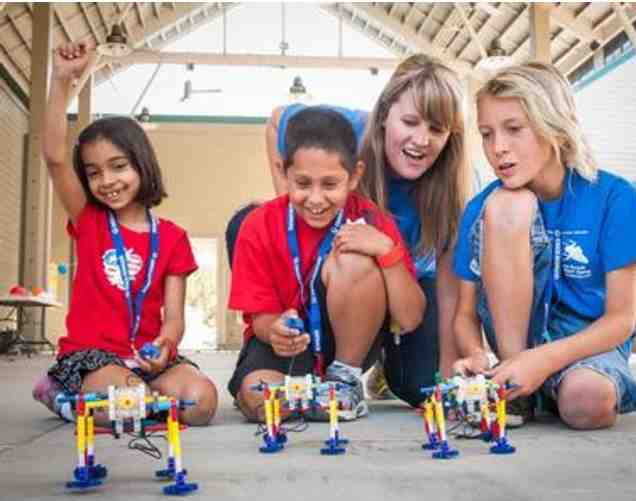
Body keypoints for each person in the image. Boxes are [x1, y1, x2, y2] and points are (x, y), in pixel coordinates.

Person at [227, 53, 469, 408]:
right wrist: (292, 209)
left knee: (421, 384)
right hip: (326, 276)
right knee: (247, 220)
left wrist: (447, 377)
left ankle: (360, 366)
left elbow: (445, 290)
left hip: (398, 278)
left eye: (436, 129)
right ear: (384, 114)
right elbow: (278, 119)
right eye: (410, 122)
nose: (421, 139)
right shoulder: (341, 132)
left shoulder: (448, 186)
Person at [451, 62, 636, 429]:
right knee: (507, 204)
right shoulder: (482, 208)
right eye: (486, 134)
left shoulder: (615, 197)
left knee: (587, 403)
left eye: (514, 129)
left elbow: (620, 320)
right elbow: (465, 314)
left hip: (586, 345)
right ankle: (516, 391)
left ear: (555, 127)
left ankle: (539, 384)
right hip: (516, 346)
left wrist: (543, 360)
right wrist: (476, 354)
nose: (498, 148)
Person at [32, 42, 218, 426]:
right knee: (131, 401)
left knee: (201, 402)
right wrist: (62, 81)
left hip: (146, 358)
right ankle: (60, 391)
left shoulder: (172, 238)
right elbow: (54, 156)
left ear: (142, 165)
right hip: (93, 356)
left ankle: (126, 402)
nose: (107, 180)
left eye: (118, 166)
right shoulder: (89, 220)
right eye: (94, 172)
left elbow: (174, 318)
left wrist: (166, 345)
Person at [227, 107, 425, 422]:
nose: (316, 199)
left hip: (344, 345)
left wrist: (387, 252)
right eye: (303, 183)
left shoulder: (373, 222)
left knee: (355, 256)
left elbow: (410, 318)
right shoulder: (257, 225)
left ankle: (345, 381)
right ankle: (314, 398)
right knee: (257, 398)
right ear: (283, 173)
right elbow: (260, 319)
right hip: (284, 348)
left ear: (355, 176)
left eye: (330, 184)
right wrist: (276, 330)